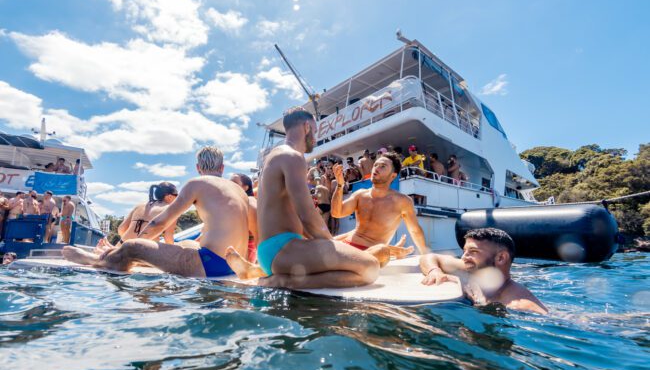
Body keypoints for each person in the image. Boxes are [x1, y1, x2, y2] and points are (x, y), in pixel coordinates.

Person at [225, 107, 410, 288]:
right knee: (369, 267)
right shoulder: (293, 156)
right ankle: (279, 281)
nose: (316, 136)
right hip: (283, 250)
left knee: (351, 256)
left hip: (273, 250)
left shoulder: (275, 157)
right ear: (306, 127)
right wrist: (332, 246)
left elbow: (295, 216)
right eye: (315, 131)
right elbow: (308, 216)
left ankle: (258, 271)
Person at [63, 147, 250, 278]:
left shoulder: (197, 183)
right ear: (222, 168)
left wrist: (120, 246)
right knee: (185, 243)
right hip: (234, 264)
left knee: (133, 247)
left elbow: (159, 224)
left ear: (198, 168)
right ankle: (125, 257)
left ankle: (98, 259)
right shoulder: (238, 191)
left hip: (211, 265)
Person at [419, 228, 548, 314]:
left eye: (473, 252)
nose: (464, 257)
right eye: (464, 251)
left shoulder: (519, 306)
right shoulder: (472, 267)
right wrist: (434, 271)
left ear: (501, 258)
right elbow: (429, 257)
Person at [332, 153, 429, 253]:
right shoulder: (360, 195)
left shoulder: (402, 201)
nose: (376, 168)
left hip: (374, 252)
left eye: (382, 166)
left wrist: (425, 253)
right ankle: (395, 251)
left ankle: (394, 251)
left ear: (393, 176)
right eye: (375, 165)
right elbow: (336, 213)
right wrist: (340, 185)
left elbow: (415, 230)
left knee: (382, 251)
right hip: (348, 245)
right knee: (324, 241)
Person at [231, 173, 258, 262]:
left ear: (245, 187)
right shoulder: (240, 203)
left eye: (234, 182)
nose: (229, 185)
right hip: (242, 251)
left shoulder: (249, 203)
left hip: (246, 254)